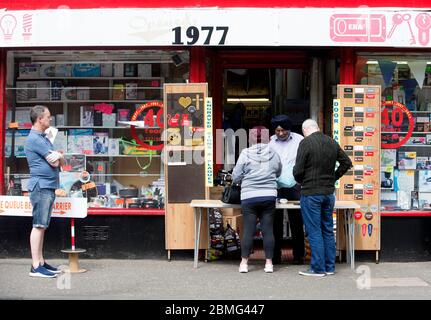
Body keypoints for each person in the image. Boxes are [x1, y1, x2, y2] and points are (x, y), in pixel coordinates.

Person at [293, 119, 352, 277]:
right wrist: (333, 177)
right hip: (328, 194)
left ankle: (317, 268)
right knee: (327, 230)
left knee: (314, 231)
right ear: (317, 128)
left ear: (305, 130)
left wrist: (301, 179)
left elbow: (298, 171)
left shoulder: (306, 143)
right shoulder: (332, 142)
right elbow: (347, 162)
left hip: (311, 193)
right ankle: (329, 267)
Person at [232, 126, 282, 273]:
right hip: (268, 195)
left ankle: (244, 264)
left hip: (249, 196)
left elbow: (236, 176)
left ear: (250, 138)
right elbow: (278, 171)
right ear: (267, 138)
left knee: (248, 230)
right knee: (268, 230)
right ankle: (269, 264)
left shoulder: (245, 153)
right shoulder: (273, 153)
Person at [25, 105, 64, 278]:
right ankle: (35, 266)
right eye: (48, 117)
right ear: (39, 119)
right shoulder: (35, 139)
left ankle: (41, 262)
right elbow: (55, 162)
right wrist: (59, 156)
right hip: (41, 186)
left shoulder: (43, 138)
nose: (50, 119)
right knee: (38, 225)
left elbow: (56, 160)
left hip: (46, 186)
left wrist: (58, 156)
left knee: (42, 225)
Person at [268, 114, 305, 264]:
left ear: (289, 129)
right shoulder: (270, 141)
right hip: (276, 184)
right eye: (278, 131)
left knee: (296, 220)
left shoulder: (300, 140)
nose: (281, 133)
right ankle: (275, 256)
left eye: (284, 131)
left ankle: (298, 256)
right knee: (274, 221)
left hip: (294, 184)